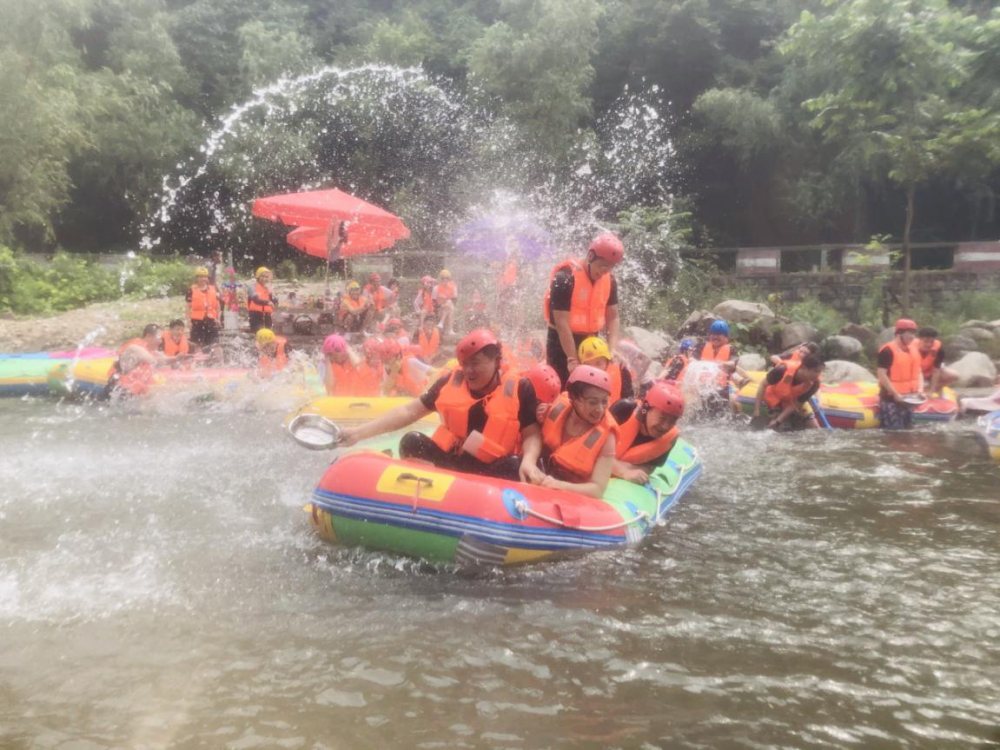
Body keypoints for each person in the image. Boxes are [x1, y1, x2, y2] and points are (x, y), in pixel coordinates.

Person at [339, 329, 542, 480]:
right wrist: (358, 433)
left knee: (515, 466)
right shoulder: (450, 382)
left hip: (490, 470)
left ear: (496, 361)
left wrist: (529, 461)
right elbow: (409, 411)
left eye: (475, 363)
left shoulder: (520, 388)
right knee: (412, 441)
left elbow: (532, 433)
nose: (468, 371)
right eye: (465, 364)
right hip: (451, 465)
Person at [519, 365, 618, 499]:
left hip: (571, 492)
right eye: (593, 403)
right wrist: (540, 418)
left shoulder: (607, 436)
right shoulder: (558, 407)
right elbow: (535, 437)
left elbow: (598, 489)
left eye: (604, 402)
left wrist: (559, 485)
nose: (600, 409)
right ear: (574, 398)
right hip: (543, 472)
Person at [544, 232, 623, 386]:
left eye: (610, 267)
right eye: (603, 265)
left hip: (590, 341)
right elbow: (562, 324)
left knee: (588, 388)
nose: (605, 271)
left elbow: (613, 316)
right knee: (561, 385)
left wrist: (612, 349)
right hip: (560, 341)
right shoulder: (564, 278)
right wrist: (573, 359)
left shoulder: (609, 280)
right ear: (591, 256)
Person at [611, 381, 684, 484]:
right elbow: (595, 450)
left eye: (672, 421)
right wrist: (624, 472)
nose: (665, 426)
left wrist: (623, 469)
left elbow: (650, 467)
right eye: (662, 418)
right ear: (645, 408)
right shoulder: (624, 410)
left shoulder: (670, 438)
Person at [753, 354, 825, 430]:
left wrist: (778, 421)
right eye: (816, 371)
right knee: (783, 428)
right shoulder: (782, 370)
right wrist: (757, 410)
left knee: (815, 428)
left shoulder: (815, 384)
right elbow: (763, 385)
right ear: (804, 367)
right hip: (775, 398)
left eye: (820, 372)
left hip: (792, 400)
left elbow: (796, 404)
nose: (818, 375)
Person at [104, 324, 177, 398]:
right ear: (148, 336)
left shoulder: (150, 350)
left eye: (161, 339)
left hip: (130, 393)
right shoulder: (136, 347)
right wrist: (175, 359)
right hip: (118, 390)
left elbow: (163, 359)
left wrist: (176, 360)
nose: (161, 341)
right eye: (159, 338)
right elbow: (154, 361)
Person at [877, 318, 923, 430]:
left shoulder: (913, 350)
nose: (912, 337)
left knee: (909, 431)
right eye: (909, 333)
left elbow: (919, 372)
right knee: (895, 432)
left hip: (909, 398)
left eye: (913, 333)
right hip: (891, 398)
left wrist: (920, 390)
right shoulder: (887, 351)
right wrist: (895, 393)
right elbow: (881, 375)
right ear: (899, 334)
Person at [696, 320, 739, 414]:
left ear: (726, 338)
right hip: (704, 388)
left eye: (719, 334)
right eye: (713, 334)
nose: (715, 337)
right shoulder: (703, 346)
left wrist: (723, 364)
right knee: (703, 412)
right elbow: (692, 358)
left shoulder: (731, 349)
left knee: (720, 414)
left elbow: (733, 362)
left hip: (721, 391)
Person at [577, 336, 634, 402]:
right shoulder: (578, 381)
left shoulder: (622, 372)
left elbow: (630, 399)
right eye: (588, 365)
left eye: (598, 363)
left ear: (607, 362)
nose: (594, 369)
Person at [187, 266, 221, 348]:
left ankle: (216, 356)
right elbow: (187, 307)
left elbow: (218, 306)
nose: (203, 279)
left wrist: (218, 318)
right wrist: (188, 321)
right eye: (200, 276)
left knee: (214, 344)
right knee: (197, 344)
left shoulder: (213, 289)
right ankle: (198, 356)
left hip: (211, 320)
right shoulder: (191, 290)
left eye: (205, 277)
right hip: (197, 321)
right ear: (196, 278)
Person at [917, 327, 958, 394]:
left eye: (931, 342)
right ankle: (920, 389)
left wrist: (932, 390)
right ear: (919, 339)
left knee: (954, 375)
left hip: (929, 372)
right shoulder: (911, 347)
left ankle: (932, 389)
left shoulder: (939, 349)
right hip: (914, 374)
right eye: (926, 341)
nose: (929, 344)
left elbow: (936, 371)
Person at [247, 267, 276, 334]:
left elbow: (275, 301)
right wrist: (268, 302)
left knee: (268, 334)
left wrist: (269, 292)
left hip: (267, 315)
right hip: (255, 315)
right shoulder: (252, 287)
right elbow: (256, 300)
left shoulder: (269, 288)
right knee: (260, 333)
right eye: (262, 276)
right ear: (258, 276)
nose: (264, 279)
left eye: (266, 277)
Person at [434, 269, 458, 336]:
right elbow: (434, 301)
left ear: (449, 279)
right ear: (440, 279)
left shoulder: (453, 288)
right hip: (440, 308)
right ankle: (450, 329)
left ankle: (441, 322)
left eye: (446, 278)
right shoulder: (436, 288)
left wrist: (446, 302)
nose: (444, 280)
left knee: (449, 303)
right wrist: (441, 305)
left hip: (449, 307)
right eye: (443, 278)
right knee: (450, 308)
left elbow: (454, 301)